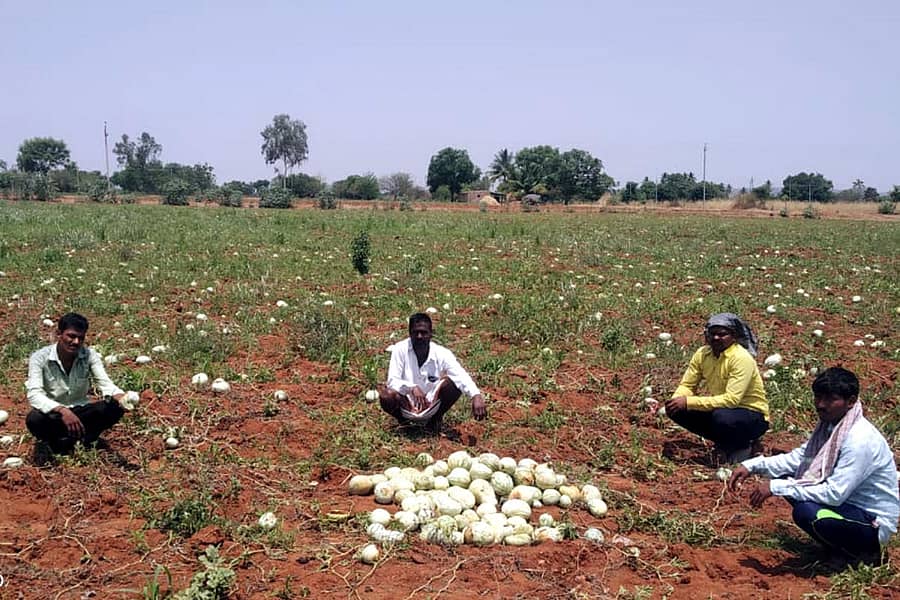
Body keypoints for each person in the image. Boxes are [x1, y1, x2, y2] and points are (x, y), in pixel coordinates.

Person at [728, 367, 899, 566]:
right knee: (789, 480)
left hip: (871, 522)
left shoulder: (859, 440)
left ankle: (862, 554)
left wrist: (775, 487)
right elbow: (798, 460)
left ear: (851, 401)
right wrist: (752, 466)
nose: (820, 405)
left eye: (830, 399)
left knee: (807, 513)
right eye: (818, 397)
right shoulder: (831, 427)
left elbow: (834, 494)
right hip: (848, 508)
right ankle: (839, 544)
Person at [665, 312, 769, 463]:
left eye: (722, 334)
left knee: (721, 417)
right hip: (723, 410)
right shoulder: (702, 354)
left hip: (752, 415)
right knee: (676, 410)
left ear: (733, 336)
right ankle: (726, 443)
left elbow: (732, 400)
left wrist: (688, 402)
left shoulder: (741, 358)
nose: (716, 338)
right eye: (712, 334)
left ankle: (746, 443)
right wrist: (676, 399)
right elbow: (688, 384)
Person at [25, 312, 128, 454]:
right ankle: (58, 444)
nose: (76, 342)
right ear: (59, 334)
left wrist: (121, 396)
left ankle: (84, 439)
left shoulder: (89, 355)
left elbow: (105, 383)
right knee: (34, 419)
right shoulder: (39, 358)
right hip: (54, 415)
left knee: (115, 407)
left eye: (81, 338)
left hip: (81, 413)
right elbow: (34, 394)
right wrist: (62, 410)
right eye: (71, 336)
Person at [379, 312, 486, 434]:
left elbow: (460, 375)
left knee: (454, 383)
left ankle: (435, 419)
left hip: (431, 403)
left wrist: (476, 395)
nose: (419, 336)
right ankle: (404, 423)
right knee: (386, 395)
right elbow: (392, 381)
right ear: (409, 333)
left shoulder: (442, 353)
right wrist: (412, 388)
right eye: (415, 332)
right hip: (407, 403)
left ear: (431, 334)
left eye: (424, 332)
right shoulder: (400, 349)